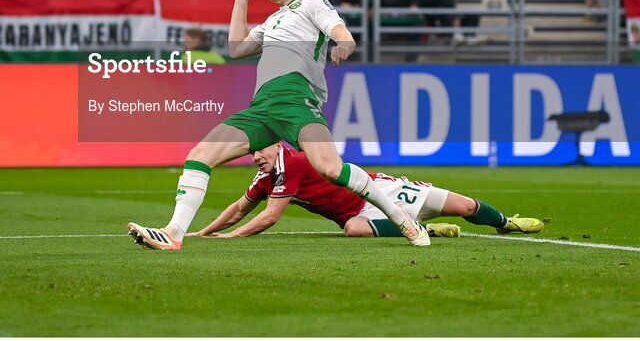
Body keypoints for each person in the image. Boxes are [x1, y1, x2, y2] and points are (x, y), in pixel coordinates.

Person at [127, 0, 431, 250]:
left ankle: (400, 217)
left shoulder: (312, 3)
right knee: (200, 154)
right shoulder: (273, 20)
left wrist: (343, 47)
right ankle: (174, 233)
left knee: (330, 169)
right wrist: (240, 1)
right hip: (262, 107)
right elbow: (237, 50)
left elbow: (342, 33)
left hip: (296, 100)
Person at [188, 142, 544, 239]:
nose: (253, 158)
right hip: (359, 215)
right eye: (251, 153)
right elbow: (238, 209)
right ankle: (422, 229)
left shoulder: (293, 163)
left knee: (465, 207)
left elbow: (269, 217)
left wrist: (231, 238)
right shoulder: (267, 176)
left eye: (258, 152)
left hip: (379, 191)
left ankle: (506, 223)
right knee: (354, 228)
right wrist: (204, 232)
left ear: (275, 147)